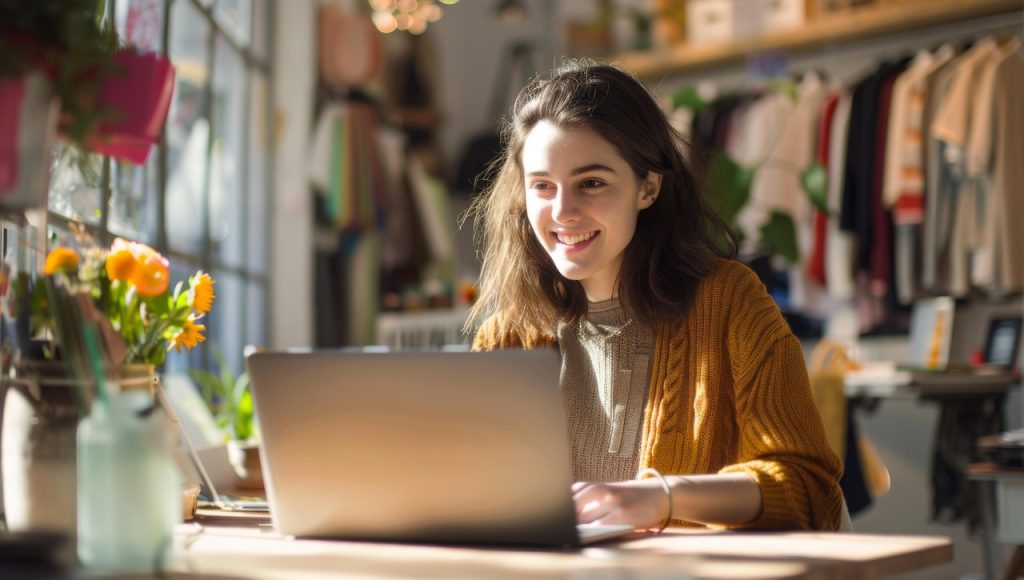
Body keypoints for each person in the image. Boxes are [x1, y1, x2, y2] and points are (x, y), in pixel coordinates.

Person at [467, 60, 844, 532]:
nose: (563, 211)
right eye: (543, 186)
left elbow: (809, 487)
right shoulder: (506, 337)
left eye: (591, 183)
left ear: (648, 187)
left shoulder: (729, 302)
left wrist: (663, 498)